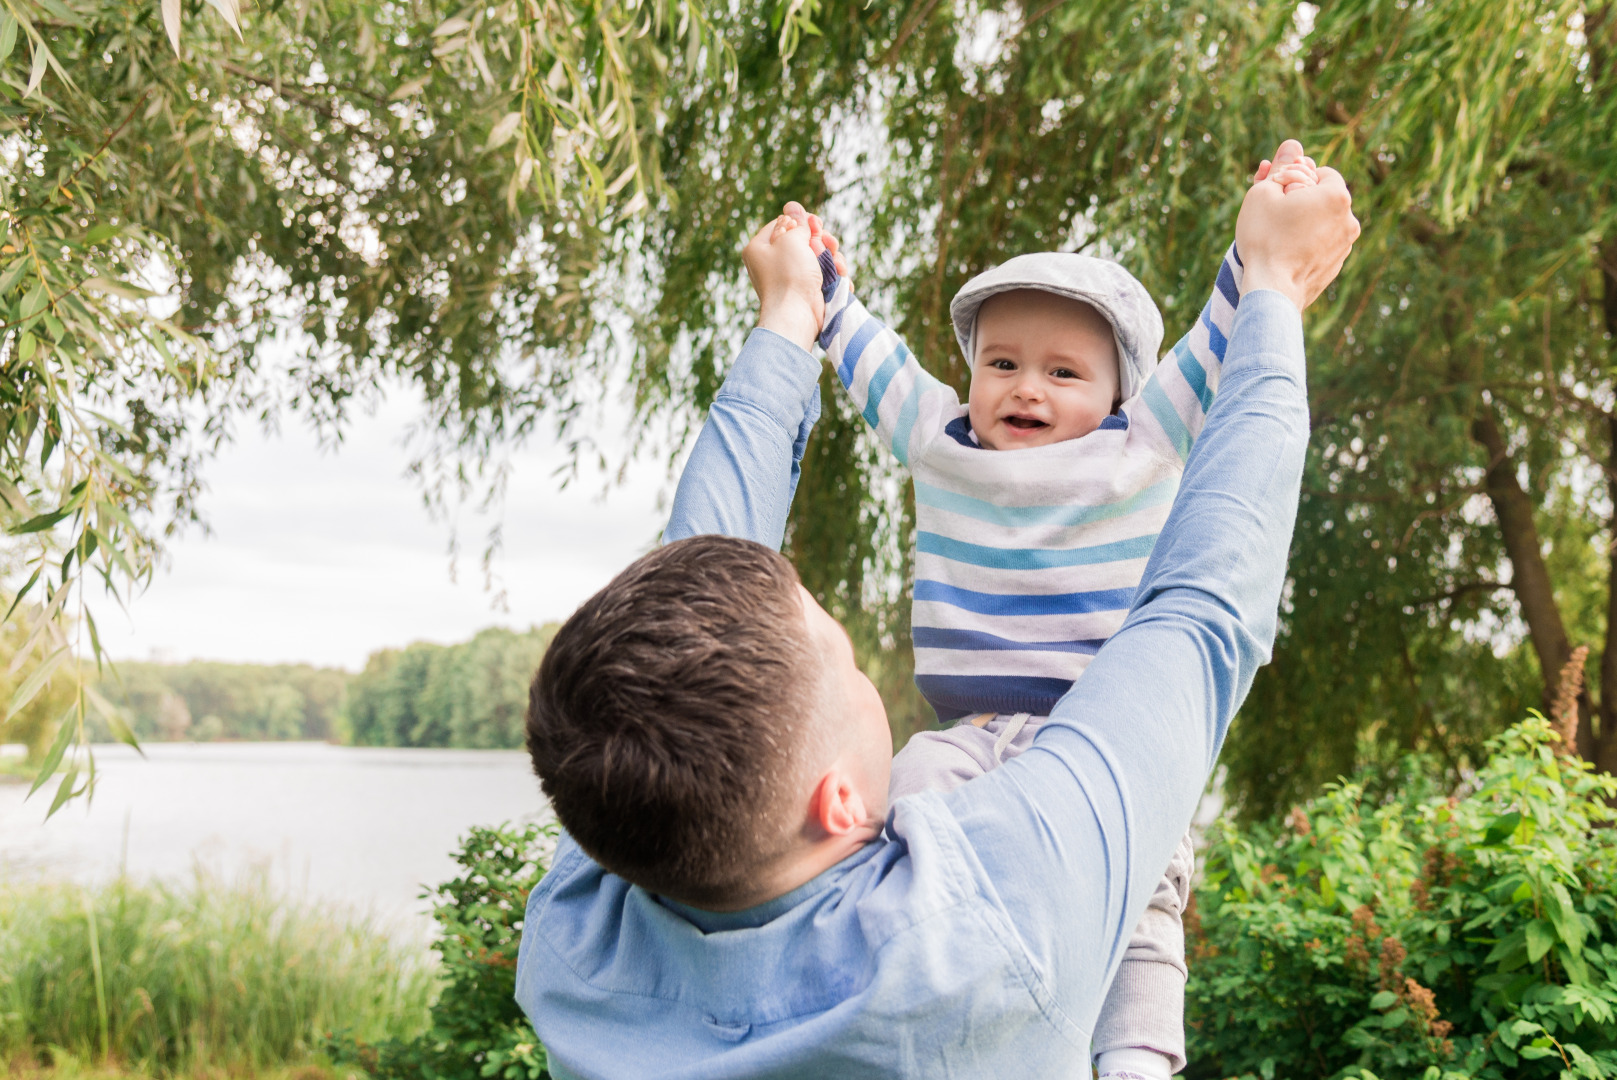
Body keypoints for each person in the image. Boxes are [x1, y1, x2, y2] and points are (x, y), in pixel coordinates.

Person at [515, 149, 1359, 1079]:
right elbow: (1202, 606)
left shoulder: (575, 929)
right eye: (841, 659)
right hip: (1033, 734)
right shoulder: (1000, 903)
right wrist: (1269, 283)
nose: (1026, 386)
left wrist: (794, 317)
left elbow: (691, 580)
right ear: (839, 802)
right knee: (1148, 908)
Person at [769, 142, 1320, 1079]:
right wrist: (821, 287)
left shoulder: (1143, 439)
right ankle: (907, 1013)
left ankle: (1137, 1053)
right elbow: (871, 360)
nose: (1026, 387)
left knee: (1141, 887)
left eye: (1063, 374)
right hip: (967, 729)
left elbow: (1221, 332)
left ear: (1115, 392)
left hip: (1103, 730)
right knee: (903, 816)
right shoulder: (943, 442)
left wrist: (1258, 232)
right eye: (1003, 363)